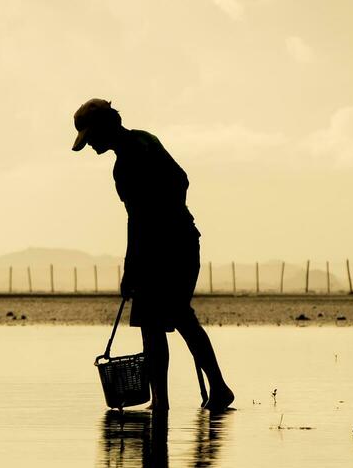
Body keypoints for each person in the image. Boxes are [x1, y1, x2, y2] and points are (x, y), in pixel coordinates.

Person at [71, 98, 233, 411]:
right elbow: (181, 181)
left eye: (91, 138)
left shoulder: (128, 161)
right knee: (171, 320)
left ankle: (169, 401)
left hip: (167, 248)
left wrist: (131, 269)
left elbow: (139, 219)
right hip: (179, 241)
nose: (90, 145)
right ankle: (183, 396)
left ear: (107, 127)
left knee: (167, 321)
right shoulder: (147, 140)